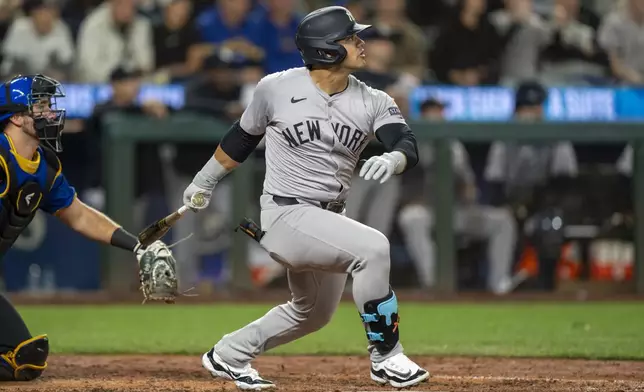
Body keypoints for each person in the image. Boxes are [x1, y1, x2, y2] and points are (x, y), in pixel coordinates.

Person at [182, 6, 429, 390]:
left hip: (329, 218)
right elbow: (241, 139)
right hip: (286, 214)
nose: (363, 44)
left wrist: (395, 157)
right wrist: (203, 181)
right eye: (351, 38)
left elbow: (406, 142)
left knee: (311, 313)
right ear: (327, 49)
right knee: (373, 248)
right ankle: (387, 358)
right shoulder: (276, 87)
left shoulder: (373, 99)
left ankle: (228, 354)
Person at [0, 74, 169, 382]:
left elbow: (79, 216)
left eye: (50, 105)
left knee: (26, 360)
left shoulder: (44, 168)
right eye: (40, 105)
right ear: (15, 116)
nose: (50, 113)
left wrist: (138, 246)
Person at [397, 97, 517, 293]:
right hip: (426, 211)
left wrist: (467, 191)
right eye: (433, 111)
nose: (439, 116)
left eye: (441, 111)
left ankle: (499, 285)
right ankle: (434, 283)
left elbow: (469, 187)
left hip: (457, 211)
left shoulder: (454, 145)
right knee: (410, 218)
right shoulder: (410, 142)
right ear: (423, 115)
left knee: (503, 220)